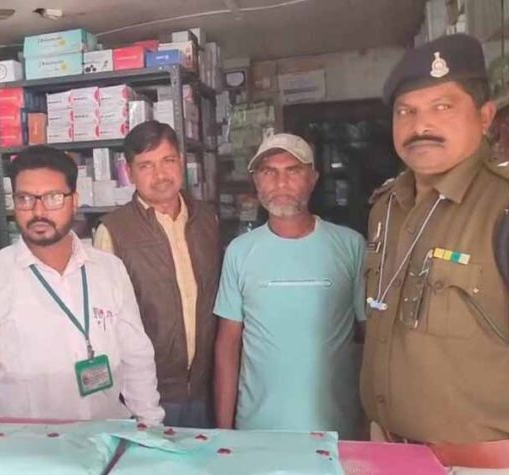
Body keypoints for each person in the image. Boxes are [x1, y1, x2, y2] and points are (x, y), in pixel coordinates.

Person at [361, 33, 509, 467]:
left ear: (484, 116)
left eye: (442, 107)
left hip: (478, 464)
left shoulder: (500, 209)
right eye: (405, 111)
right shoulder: (386, 207)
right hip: (387, 450)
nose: (420, 125)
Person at [0, 145, 164, 425]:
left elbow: (136, 356)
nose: (38, 211)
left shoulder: (109, 270)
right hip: (31, 445)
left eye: (53, 198)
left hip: (107, 434)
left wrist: (150, 425)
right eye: (25, 198)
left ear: (74, 201)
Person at [213, 133, 366, 440]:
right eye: (269, 172)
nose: (280, 183)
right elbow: (228, 348)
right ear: (256, 182)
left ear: (313, 179)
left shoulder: (350, 245)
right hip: (257, 431)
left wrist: (368, 425)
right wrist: (223, 434)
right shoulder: (239, 252)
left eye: (293, 170)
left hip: (336, 431)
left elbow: (372, 342)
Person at [94, 121, 221, 428]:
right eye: (146, 166)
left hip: (207, 389)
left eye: (168, 160)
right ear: (130, 172)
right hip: (147, 394)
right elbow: (104, 323)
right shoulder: (113, 230)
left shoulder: (207, 219)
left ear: (181, 161)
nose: (161, 175)